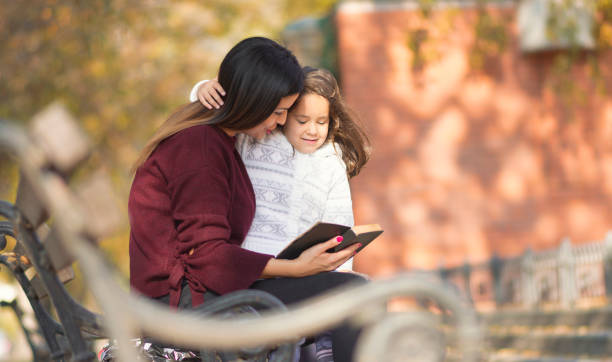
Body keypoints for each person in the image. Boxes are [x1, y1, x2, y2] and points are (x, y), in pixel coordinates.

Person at [128, 37, 366, 362]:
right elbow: (208, 256)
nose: (281, 122)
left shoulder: (218, 142)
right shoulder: (199, 147)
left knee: (351, 289)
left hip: (202, 297)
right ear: (254, 101)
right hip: (187, 307)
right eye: (279, 111)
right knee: (353, 293)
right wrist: (296, 268)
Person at [190, 67, 370, 272]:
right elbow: (219, 117)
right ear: (283, 115)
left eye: (322, 122)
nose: (312, 130)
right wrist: (201, 89)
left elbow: (339, 223)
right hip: (252, 266)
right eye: (302, 121)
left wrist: (340, 273)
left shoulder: (332, 160)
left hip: (307, 271)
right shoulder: (256, 138)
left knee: (357, 284)